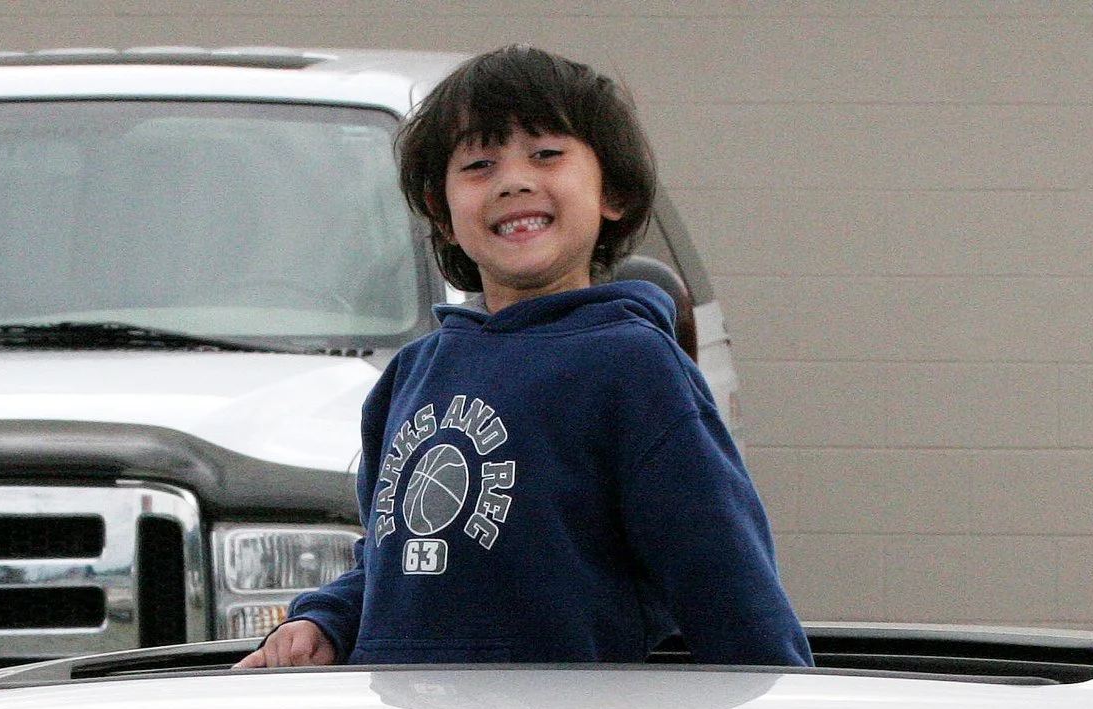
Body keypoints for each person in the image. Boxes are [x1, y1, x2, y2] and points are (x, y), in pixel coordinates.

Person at [235, 45, 810, 669]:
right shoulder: (411, 374)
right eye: (479, 164)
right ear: (443, 214)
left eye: (546, 154)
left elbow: (727, 584)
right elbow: (398, 560)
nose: (513, 180)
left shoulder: (634, 367)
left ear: (611, 191)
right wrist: (329, 619)